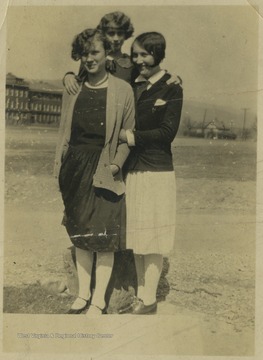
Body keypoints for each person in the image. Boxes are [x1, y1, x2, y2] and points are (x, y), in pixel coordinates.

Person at [54, 28, 135, 315]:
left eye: (95, 53)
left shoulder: (122, 90)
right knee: (80, 234)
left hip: (104, 168)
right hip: (74, 167)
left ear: (105, 55)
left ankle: (99, 299)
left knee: (103, 236)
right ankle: (82, 295)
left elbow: (128, 133)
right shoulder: (73, 87)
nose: (90, 59)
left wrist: (116, 164)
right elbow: (64, 132)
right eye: (85, 53)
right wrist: (62, 167)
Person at [118, 32, 183, 314]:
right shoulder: (134, 85)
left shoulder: (172, 87)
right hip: (134, 171)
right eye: (135, 55)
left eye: (145, 54)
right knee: (137, 235)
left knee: (153, 236)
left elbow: (167, 133)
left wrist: (132, 138)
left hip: (157, 171)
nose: (139, 60)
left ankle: (149, 298)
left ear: (159, 54)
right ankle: (142, 296)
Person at [64, 11, 136, 95]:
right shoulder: (93, 59)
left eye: (120, 34)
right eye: (111, 33)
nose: (116, 38)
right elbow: (80, 79)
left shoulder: (132, 63)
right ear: (103, 35)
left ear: (126, 35)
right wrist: (68, 76)